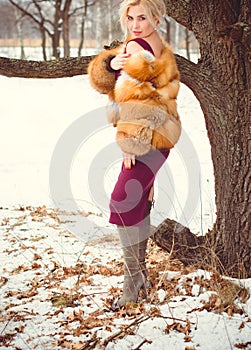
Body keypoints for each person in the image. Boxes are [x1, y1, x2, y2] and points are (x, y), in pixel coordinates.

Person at [88, 0, 181, 308]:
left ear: (157, 16)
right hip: (158, 139)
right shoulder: (149, 46)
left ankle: (132, 287)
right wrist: (111, 63)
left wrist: (131, 143)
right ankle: (139, 279)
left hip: (146, 139)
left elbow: (145, 102)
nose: (135, 23)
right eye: (130, 17)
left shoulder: (141, 48)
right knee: (137, 202)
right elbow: (112, 84)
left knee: (122, 201)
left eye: (143, 17)